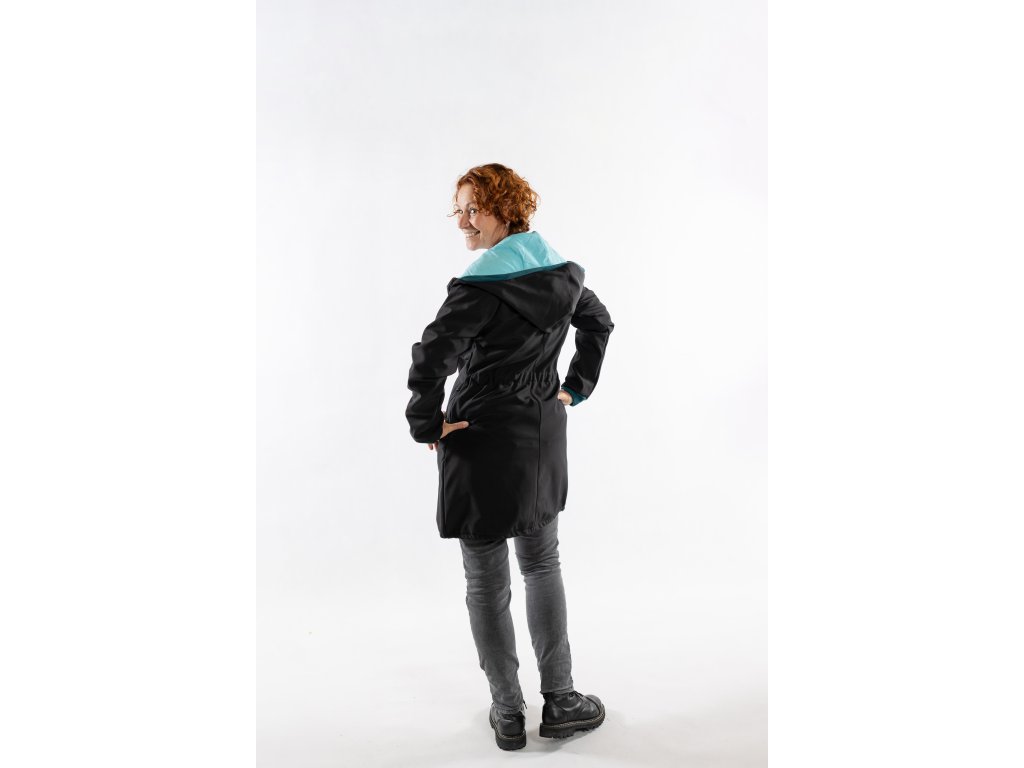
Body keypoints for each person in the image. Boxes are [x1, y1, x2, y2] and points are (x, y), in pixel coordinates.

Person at [405, 163, 615, 751]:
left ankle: (507, 711)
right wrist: (571, 389)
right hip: (539, 435)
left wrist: (427, 423)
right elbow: (598, 323)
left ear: (504, 209)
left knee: (485, 579)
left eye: (473, 208)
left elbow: (430, 359)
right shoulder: (562, 274)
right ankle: (562, 700)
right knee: (541, 563)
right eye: (459, 210)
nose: (463, 222)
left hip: (479, 437)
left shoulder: (479, 288)